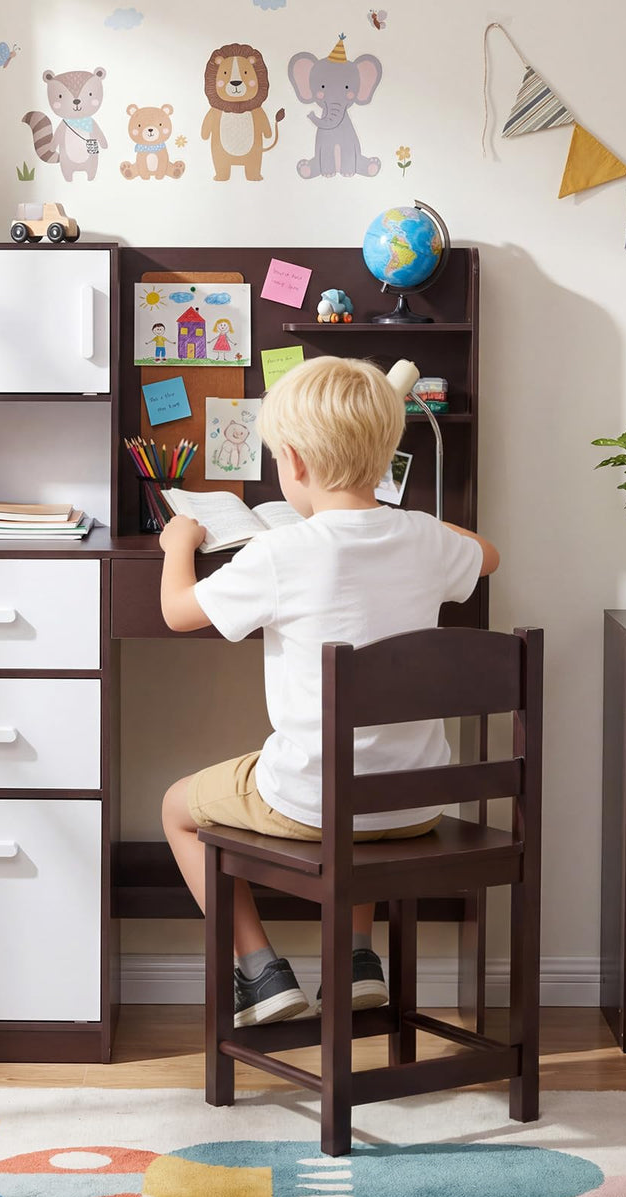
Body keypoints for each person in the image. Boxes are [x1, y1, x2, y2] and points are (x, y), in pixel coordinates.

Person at [159, 356, 499, 1027]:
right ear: (385, 452)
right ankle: (354, 958)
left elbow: (178, 612)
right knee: (364, 766)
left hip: (313, 803)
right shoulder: (425, 540)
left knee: (176, 808)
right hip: (417, 802)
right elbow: (487, 555)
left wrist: (179, 543)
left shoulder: (279, 553)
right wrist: (419, 527)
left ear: (293, 463)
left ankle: (261, 974)